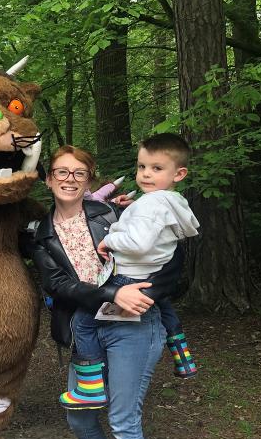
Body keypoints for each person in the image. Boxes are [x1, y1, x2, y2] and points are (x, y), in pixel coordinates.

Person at [31, 145, 183, 439]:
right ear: (50, 178)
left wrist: (150, 293)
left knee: (123, 418)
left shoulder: (116, 215)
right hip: (86, 323)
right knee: (79, 412)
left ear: (89, 180)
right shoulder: (40, 233)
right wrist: (111, 294)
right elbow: (57, 284)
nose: (70, 180)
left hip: (134, 324)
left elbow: (171, 257)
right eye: (62, 172)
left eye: (78, 173)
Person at [60, 133, 200, 410]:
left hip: (129, 276)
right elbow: (158, 227)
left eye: (156, 169)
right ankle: (183, 358)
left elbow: (138, 242)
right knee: (166, 310)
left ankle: (90, 387)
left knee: (83, 321)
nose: (146, 174)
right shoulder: (172, 201)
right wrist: (132, 209)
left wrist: (109, 239)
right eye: (142, 167)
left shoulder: (150, 204)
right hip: (153, 276)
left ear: (179, 173)